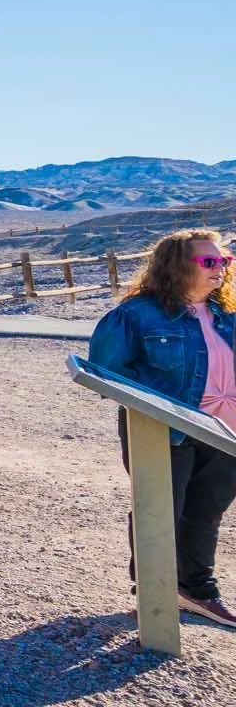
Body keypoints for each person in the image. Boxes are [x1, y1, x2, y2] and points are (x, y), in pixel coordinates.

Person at [89, 229, 236, 627]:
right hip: (165, 431)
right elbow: (106, 372)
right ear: (176, 267)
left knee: (206, 512)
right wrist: (159, 405)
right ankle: (154, 592)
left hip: (226, 434)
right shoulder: (136, 315)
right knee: (159, 510)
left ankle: (197, 592)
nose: (220, 269)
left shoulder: (228, 315)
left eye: (224, 261)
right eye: (209, 262)